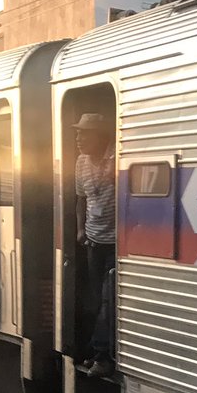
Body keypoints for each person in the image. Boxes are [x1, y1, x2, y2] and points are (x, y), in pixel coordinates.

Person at [73, 112, 116, 377]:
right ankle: (96, 352)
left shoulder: (117, 157)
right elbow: (81, 199)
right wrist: (80, 229)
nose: (78, 138)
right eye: (77, 133)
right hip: (93, 239)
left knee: (108, 299)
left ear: (101, 136)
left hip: (115, 242)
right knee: (96, 299)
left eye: (84, 133)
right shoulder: (80, 162)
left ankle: (103, 356)